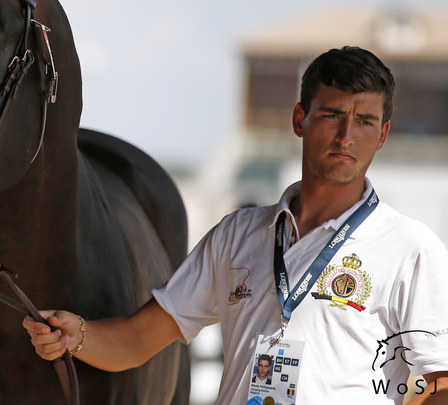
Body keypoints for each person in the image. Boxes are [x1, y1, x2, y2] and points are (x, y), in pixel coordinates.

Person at [24, 47, 448, 404]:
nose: (346, 136)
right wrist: (75, 335)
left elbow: (439, 385)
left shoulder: (412, 248)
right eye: (332, 115)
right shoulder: (237, 233)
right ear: (300, 119)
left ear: (384, 133)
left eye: (365, 121)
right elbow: (138, 339)